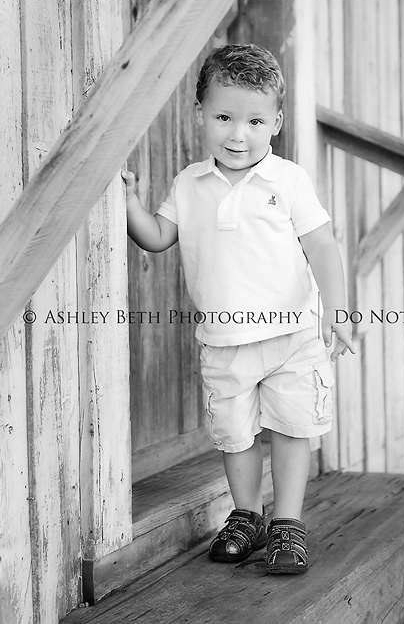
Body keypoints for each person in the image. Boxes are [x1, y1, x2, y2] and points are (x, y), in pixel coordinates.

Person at [122, 43, 355, 575]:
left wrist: (336, 310)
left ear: (276, 122)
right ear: (199, 113)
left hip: (292, 335)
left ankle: (287, 524)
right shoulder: (189, 183)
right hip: (225, 341)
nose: (237, 134)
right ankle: (247, 516)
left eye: (255, 121)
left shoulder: (288, 180)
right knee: (236, 433)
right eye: (224, 117)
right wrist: (130, 203)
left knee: (293, 427)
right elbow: (156, 237)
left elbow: (321, 245)